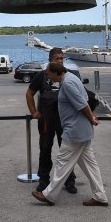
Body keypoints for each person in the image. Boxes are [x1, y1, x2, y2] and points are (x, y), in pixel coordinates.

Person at [31, 62, 108, 206]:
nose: (47, 77)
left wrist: (91, 117)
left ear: (55, 72)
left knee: (62, 162)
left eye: (48, 74)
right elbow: (85, 99)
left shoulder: (67, 84)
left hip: (74, 131)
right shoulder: (72, 78)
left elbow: (82, 104)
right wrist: (90, 117)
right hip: (81, 130)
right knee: (90, 165)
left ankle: (49, 195)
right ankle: (100, 196)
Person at [25, 47, 76, 193]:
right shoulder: (41, 76)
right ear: (50, 60)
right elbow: (29, 94)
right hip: (46, 120)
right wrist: (34, 112)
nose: (60, 61)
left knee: (66, 150)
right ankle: (43, 180)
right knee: (45, 149)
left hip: (64, 120)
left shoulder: (68, 76)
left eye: (62, 58)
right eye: (57, 59)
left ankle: (69, 180)